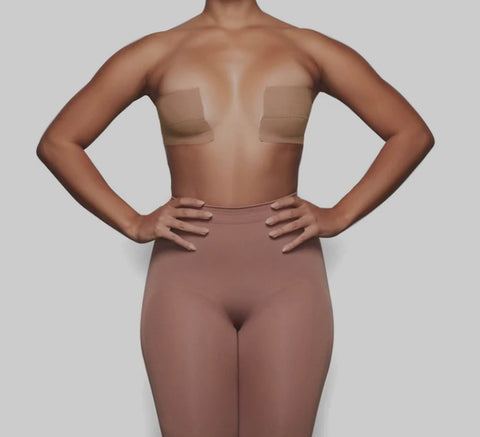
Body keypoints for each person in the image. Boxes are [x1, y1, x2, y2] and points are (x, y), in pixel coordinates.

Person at [36, 1, 435, 436]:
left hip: (287, 271)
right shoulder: (157, 53)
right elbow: (59, 142)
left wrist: (340, 214)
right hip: (186, 272)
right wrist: (132, 222)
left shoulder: (307, 49)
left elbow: (410, 133)